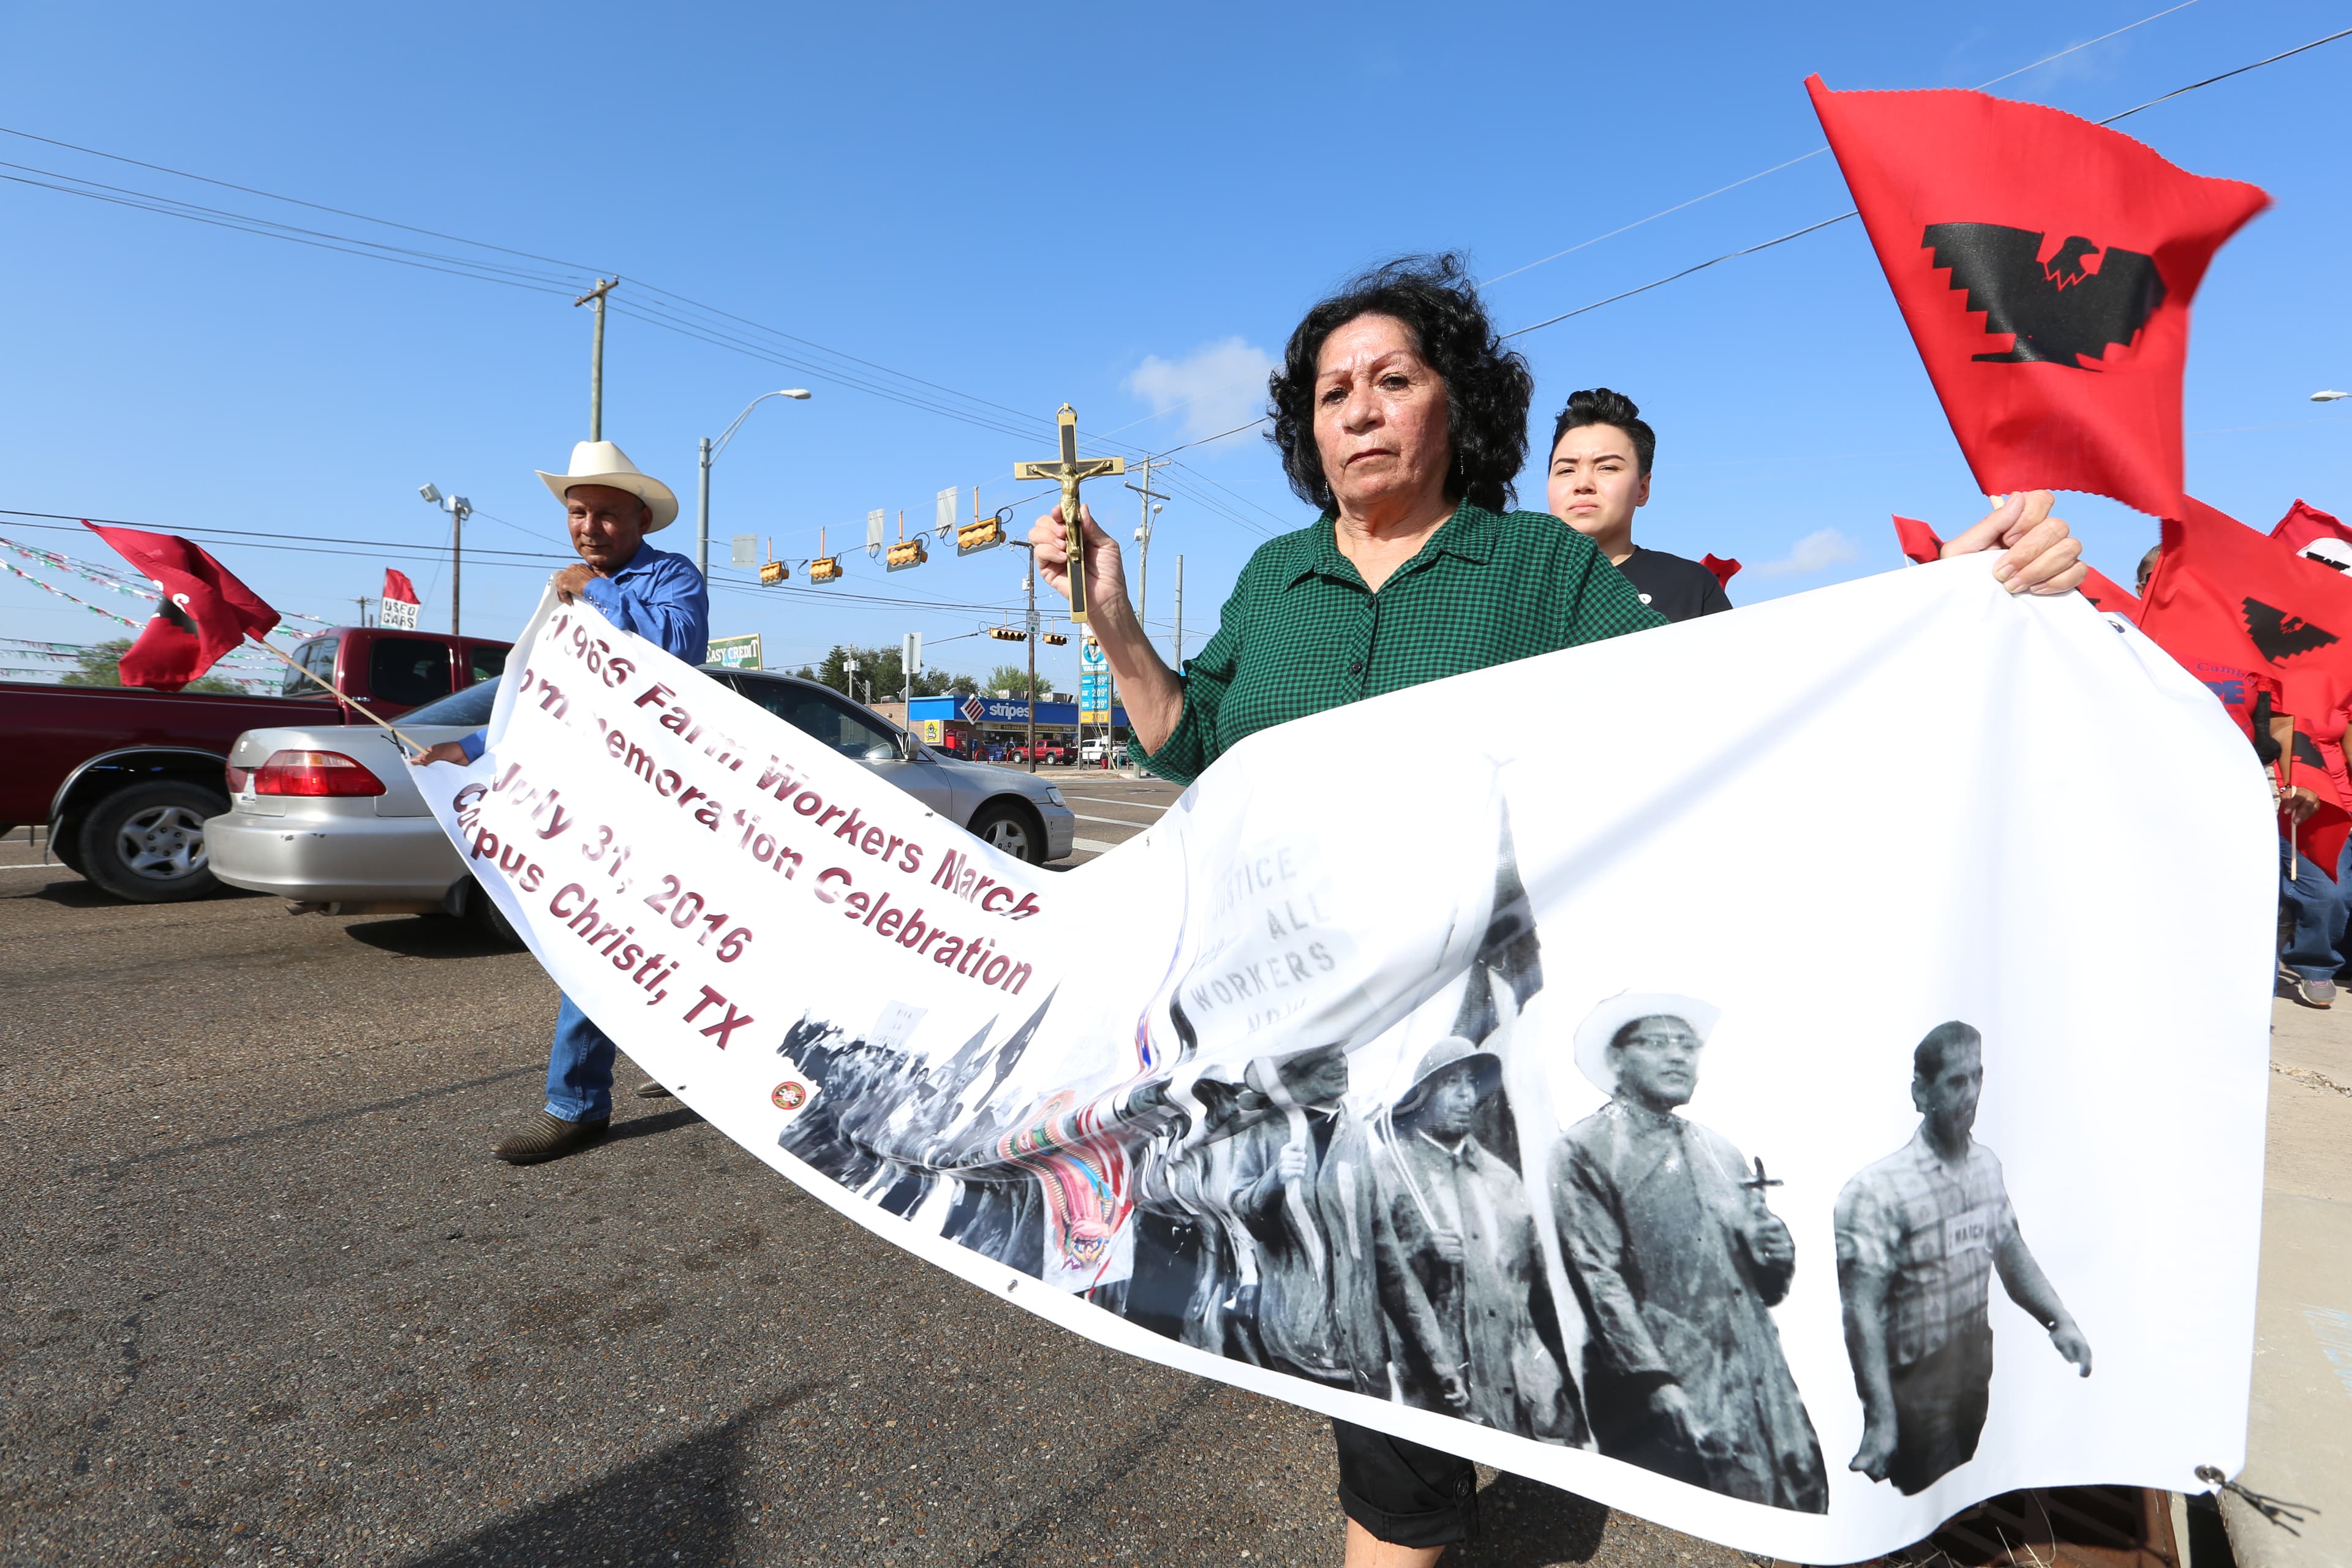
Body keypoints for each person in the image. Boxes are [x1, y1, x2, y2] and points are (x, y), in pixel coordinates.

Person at [1027, 253, 2087, 1565]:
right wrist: (1117, 619)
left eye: (1392, 381)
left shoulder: (1533, 567)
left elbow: (1718, 716)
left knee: (1436, 1410)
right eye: (1330, 392)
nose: (1356, 410)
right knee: (1396, 1417)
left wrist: (1948, 603)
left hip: (1476, 1076)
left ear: (1454, 405)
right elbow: (1191, 748)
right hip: (1309, 1089)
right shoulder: (1269, 583)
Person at [410, 440, 709, 1164]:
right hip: (595, 800)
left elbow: (679, 646)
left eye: (608, 514)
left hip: (661, 798)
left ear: (642, 519)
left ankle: (583, 1101)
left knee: (655, 944)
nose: (590, 527)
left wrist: (593, 590)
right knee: (604, 945)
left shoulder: (667, 575)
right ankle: (596, 1096)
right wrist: (474, 746)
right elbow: (551, 698)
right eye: (579, 512)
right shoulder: (568, 593)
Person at [1552, 997, 1828, 1513]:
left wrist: (1776, 1251)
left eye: (1687, 1045)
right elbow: (1597, 1276)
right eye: (1656, 1044)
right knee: (1693, 1518)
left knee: (1795, 1502)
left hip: (1758, 1376)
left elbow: (1767, 1288)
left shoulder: (1720, 1151)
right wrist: (1654, 1380)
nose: (1677, 1057)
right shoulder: (1585, 1150)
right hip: (1668, 1378)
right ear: (1616, 1060)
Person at [1834, 1021, 2092, 1496]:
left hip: (1973, 1375)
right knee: (1912, 1504)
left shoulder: (1986, 1168)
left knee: (1962, 1490)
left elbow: (2010, 1250)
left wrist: (2060, 1321)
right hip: (1915, 1388)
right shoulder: (1875, 1192)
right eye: (1956, 1081)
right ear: (1921, 1091)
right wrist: (1880, 1416)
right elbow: (1861, 1311)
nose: (1971, 1093)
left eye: (1978, 1077)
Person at [1370, 1038, 1580, 1444]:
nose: (1467, 1095)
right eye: (1451, 1082)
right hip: (1438, 1385)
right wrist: (1420, 1254)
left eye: (1471, 1083)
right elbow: (1367, 1279)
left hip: (1522, 1382)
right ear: (1421, 1096)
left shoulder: (1501, 1177)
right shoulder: (1390, 1173)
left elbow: (1535, 1279)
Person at [1545, 387, 1729, 622]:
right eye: (1566, 470)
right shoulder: (1512, 586)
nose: (1583, 484)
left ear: (1643, 489)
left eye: (1608, 467)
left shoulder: (1689, 585)